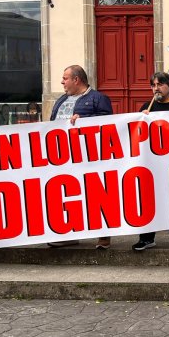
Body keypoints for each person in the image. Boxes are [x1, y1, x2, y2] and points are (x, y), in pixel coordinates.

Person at [48, 65, 113, 249]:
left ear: (76, 80)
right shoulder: (61, 99)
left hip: (89, 157)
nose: (62, 82)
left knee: (96, 194)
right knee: (68, 195)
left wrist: (85, 122)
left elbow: (108, 124)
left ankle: (103, 235)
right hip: (63, 156)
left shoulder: (98, 98)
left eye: (65, 78)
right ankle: (69, 234)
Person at [131, 71, 169, 252]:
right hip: (152, 164)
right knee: (149, 198)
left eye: (160, 84)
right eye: (153, 85)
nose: (156, 88)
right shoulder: (146, 108)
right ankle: (146, 238)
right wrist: (141, 119)